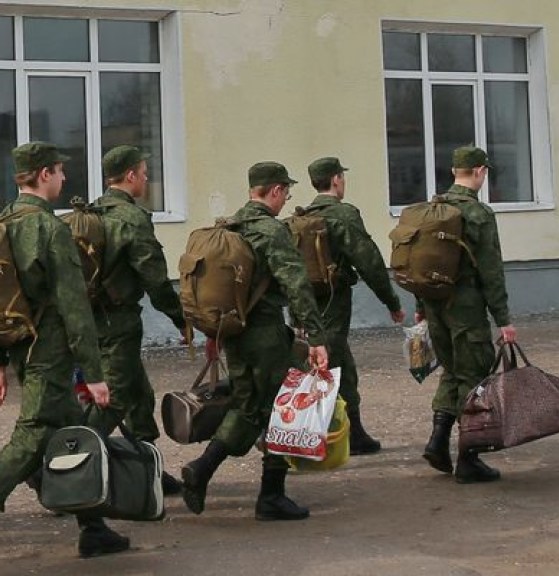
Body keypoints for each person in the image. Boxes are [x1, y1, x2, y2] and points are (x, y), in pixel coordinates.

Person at [0, 141, 129, 557]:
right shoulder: (49, 228)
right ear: (43, 175)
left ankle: (93, 527)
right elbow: (75, 307)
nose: (64, 177)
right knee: (33, 436)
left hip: (21, 345)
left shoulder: (5, 221)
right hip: (50, 351)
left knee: (75, 431)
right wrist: (94, 374)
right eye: (58, 170)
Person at [181, 161, 329, 520]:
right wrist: (316, 337)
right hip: (264, 334)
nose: (286, 199)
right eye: (286, 192)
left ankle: (202, 470)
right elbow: (296, 283)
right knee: (284, 407)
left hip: (234, 334)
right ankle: (270, 495)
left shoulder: (231, 226)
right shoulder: (270, 231)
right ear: (275, 191)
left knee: (248, 406)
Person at [83, 145, 187, 493]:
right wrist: (181, 318)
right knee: (114, 400)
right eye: (143, 173)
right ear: (130, 176)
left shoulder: (95, 211)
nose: (146, 178)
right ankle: (63, 467)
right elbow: (155, 278)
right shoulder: (131, 218)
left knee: (139, 396)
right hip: (119, 323)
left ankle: (150, 470)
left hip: (95, 320)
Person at [416, 146, 517, 484]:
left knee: (453, 371)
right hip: (466, 309)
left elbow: (422, 263)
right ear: (479, 172)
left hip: (435, 306)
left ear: (452, 172)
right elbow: (491, 271)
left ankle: (438, 440)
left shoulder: (434, 208)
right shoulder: (478, 214)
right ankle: (468, 459)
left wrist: (421, 308)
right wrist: (503, 319)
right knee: (474, 378)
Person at [304, 156, 405, 454]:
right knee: (330, 364)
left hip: (307, 303)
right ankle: (314, 436)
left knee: (330, 360)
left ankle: (351, 432)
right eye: (342, 178)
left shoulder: (301, 218)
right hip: (335, 301)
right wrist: (391, 301)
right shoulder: (343, 215)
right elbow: (369, 260)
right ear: (336, 180)